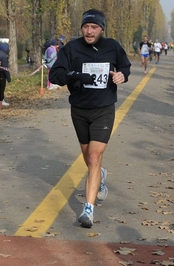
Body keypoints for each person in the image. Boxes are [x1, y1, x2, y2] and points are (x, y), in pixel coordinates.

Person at [49, 9, 131, 228]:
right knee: (88, 157)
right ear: (81, 28)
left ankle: (88, 209)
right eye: (86, 27)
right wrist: (75, 75)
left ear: (102, 29)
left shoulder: (112, 46)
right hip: (79, 109)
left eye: (94, 27)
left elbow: (125, 66)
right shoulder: (71, 49)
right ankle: (100, 176)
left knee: (94, 157)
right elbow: (54, 75)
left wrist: (122, 75)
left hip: (104, 108)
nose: (89, 31)